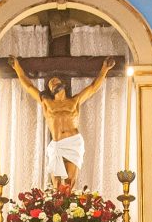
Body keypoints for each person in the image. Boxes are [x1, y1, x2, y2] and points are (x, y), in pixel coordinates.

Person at [11, 58, 104, 187]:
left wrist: (105, 68)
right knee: (57, 185)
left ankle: (73, 207)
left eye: (55, 81)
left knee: (69, 183)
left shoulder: (74, 101)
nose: (53, 82)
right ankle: (55, 205)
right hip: (57, 144)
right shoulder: (47, 103)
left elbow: (93, 88)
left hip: (73, 143)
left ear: (63, 84)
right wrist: (17, 67)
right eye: (50, 83)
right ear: (49, 89)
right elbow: (28, 86)